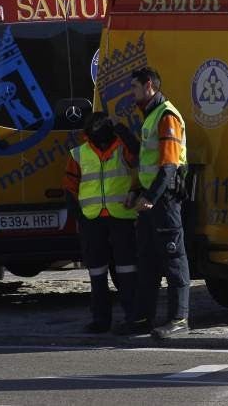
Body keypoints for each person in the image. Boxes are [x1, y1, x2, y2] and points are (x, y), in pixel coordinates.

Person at [63, 111, 139, 334]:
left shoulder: (121, 147)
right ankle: (100, 319)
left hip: (121, 217)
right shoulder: (79, 153)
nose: (100, 131)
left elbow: (138, 154)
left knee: (127, 270)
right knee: (97, 273)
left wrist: (122, 130)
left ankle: (131, 316)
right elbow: (69, 186)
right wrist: (79, 216)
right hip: (92, 220)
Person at [129, 66, 191, 339]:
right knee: (147, 262)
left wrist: (150, 198)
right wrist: (136, 190)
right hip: (151, 200)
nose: (133, 93)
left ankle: (179, 320)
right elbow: (147, 162)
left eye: (134, 87)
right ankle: (144, 318)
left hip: (164, 201)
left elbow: (168, 165)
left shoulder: (166, 116)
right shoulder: (151, 117)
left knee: (174, 260)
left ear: (148, 86)